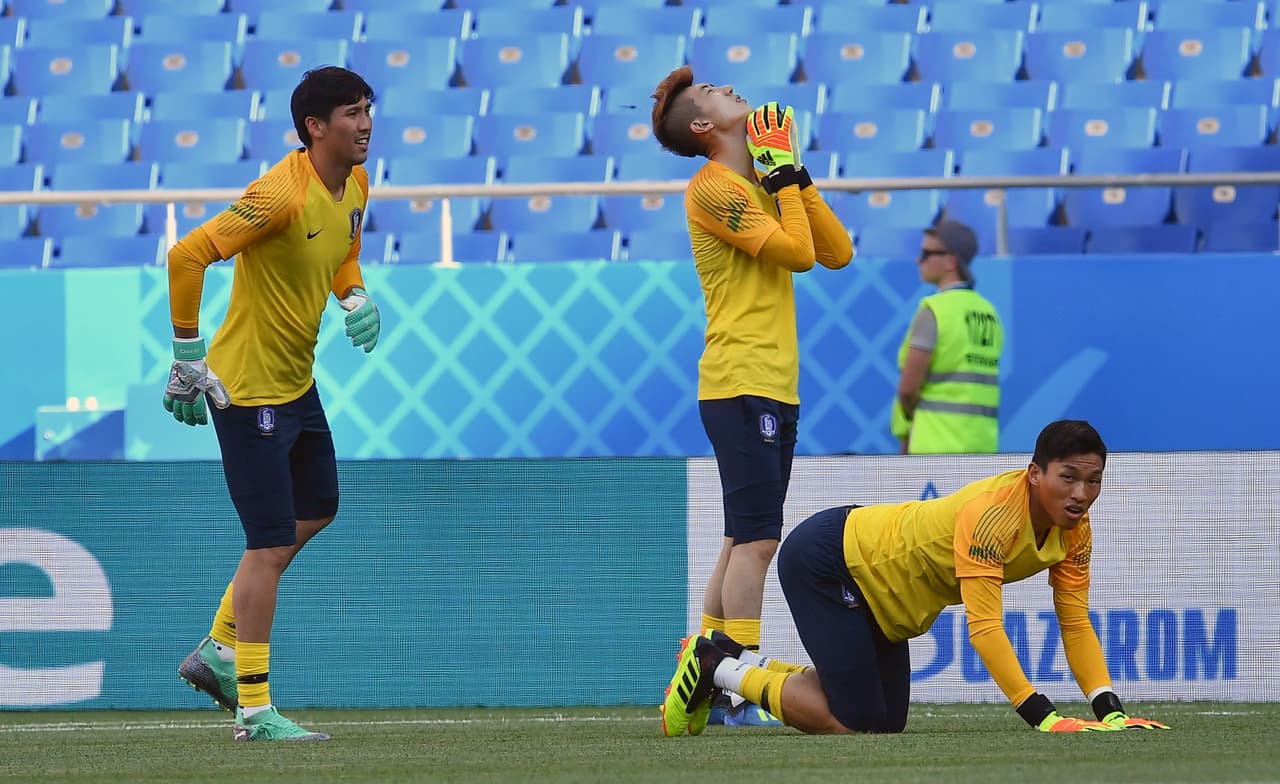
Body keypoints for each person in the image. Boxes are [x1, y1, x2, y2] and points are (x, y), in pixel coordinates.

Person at [661, 420, 1171, 736]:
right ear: (1035, 474)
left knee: (884, 723)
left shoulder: (1075, 532)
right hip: (831, 560)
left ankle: (744, 665)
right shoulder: (994, 514)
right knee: (854, 719)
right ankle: (718, 666)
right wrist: (1040, 714)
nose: (1082, 493)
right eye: (1069, 477)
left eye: (1094, 480)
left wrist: (1110, 710)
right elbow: (986, 627)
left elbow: (1076, 622)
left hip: (885, 599)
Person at [164, 66, 380, 742]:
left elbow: (342, 252)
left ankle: (219, 648)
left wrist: (355, 295)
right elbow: (187, 255)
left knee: (315, 511)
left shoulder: (357, 182)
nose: (366, 122)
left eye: (369, 108)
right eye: (351, 112)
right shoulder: (277, 195)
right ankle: (254, 710)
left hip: (295, 382)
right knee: (266, 545)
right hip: (245, 389)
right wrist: (187, 353)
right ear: (316, 127)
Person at [650, 65, 853, 729]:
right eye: (714, 93)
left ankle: (701, 678)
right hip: (741, 380)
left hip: (769, 383)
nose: (732, 89)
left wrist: (789, 171)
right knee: (759, 541)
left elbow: (837, 252)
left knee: (742, 536)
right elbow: (796, 255)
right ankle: (737, 682)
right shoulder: (712, 188)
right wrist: (785, 178)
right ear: (704, 127)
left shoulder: (761, 180)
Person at [892, 219, 1003, 455]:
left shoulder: (934, 310)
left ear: (951, 261)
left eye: (926, 253)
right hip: (982, 443)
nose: (918, 260)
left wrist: (910, 427)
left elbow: (908, 389)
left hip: (935, 444)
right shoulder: (989, 312)